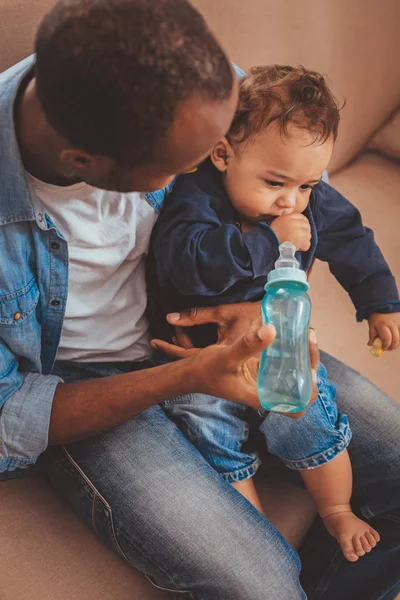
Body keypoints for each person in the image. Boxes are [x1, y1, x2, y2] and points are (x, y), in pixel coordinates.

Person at [0, 1, 398, 598]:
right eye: (186, 167)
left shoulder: (196, 91)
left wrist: (264, 298)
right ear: (83, 164)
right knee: (261, 585)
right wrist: (185, 379)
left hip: (225, 325)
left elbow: (302, 198)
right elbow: (9, 416)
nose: (210, 164)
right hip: (86, 384)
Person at [148, 64, 400, 563]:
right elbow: (187, 265)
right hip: (199, 364)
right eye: (275, 182)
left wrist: (380, 301)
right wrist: (269, 241)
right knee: (211, 437)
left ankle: (337, 511)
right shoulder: (196, 196)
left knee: (310, 413)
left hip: (279, 349)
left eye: (306, 187)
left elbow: (351, 238)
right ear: (223, 154)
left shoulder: (308, 199)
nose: (292, 201)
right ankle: (255, 533)